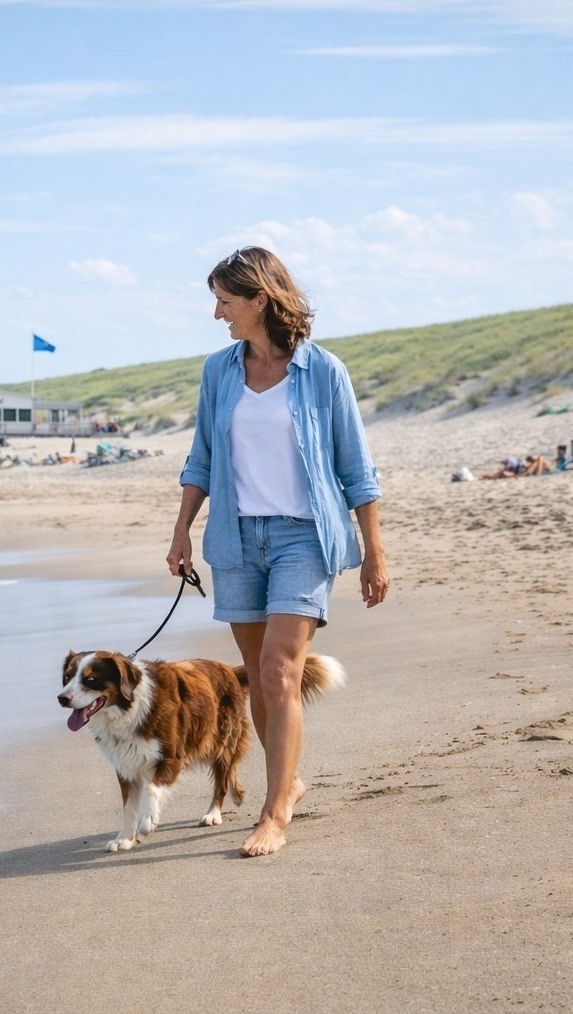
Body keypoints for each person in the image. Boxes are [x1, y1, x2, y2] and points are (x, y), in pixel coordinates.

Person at [166, 245, 388, 858]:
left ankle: (273, 814)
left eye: (225, 300)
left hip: (303, 536)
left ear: (260, 299)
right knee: (260, 683)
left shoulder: (323, 372)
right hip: (236, 537)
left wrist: (374, 550)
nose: (217, 313)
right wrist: (182, 529)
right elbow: (202, 457)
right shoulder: (219, 371)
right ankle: (287, 782)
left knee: (278, 671)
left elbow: (357, 468)